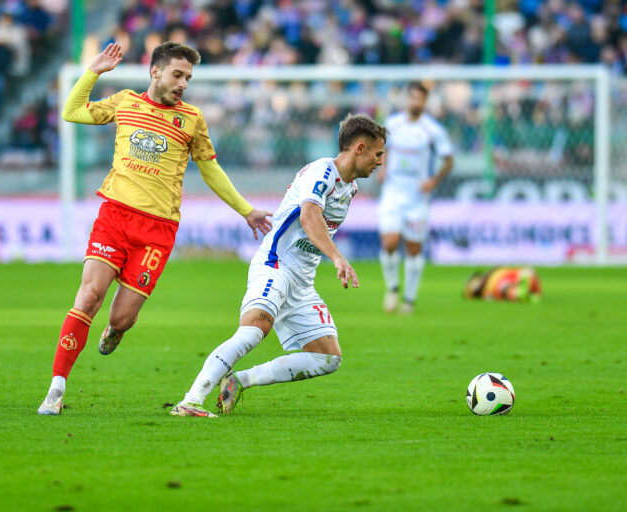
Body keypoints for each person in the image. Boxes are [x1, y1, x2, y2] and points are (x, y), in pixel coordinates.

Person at [37, 41, 272, 415]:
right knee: (88, 296)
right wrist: (94, 71)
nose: (183, 83)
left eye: (188, 77)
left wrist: (245, 210)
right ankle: (56, 388)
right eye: (178, 74)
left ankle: (116, 330)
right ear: (155, 72)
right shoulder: (125, 101)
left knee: (121, 317)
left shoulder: (192, 119)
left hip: (157, 232)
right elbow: (71, 111)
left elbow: (210, 168)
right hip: (114, 217)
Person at [171, 113, 387, 417]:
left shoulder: (348, 188)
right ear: (360, 148)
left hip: (301, 282)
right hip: (275, 265)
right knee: (254, 330)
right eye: (378, 154)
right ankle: (191, 401)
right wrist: (338, 257)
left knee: (327, 358)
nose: (380, 162)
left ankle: (239, 380)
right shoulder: (322, 172)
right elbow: (309, 214)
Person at [375, 82, 454, 314]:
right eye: (413, 98)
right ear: (407, 100)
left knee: (413, 248)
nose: (416, 103)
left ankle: (409, 299)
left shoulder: (433, 129)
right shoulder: (393, 124)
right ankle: (392, 288)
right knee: (389, 243)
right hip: (393, 191)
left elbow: (448, 159)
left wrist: (433, 180)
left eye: (421, 99)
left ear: (425, 102)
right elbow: (383, 148)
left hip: (417, 195)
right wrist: (383, 167)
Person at [464, 267, 541, 302]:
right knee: (502, 287)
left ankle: (521, 293)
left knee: (503, 287)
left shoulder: (490, 279)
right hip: (527, 276)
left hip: (521, 276)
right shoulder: (487, 290)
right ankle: (527, 292)